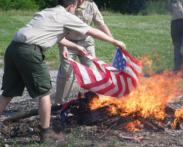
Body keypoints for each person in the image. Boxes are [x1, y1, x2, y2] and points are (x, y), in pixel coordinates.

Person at [0, 0, 125, 143]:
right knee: (45, 93)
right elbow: (92, 31)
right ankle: (46, 134)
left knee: (8, 93)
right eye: (75, 7)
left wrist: (76, 47)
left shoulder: (47, 12)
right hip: (30, 51)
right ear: (71, 5)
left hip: (13, 48)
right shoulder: (66, 15)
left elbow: (56, 36)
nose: (75, 10)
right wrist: (115, 42)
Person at [54, 0, 112, 105]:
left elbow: (100, 24)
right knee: (66, 72)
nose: (80, 1)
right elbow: (59, 28)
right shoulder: (68, 4)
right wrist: (63, 47)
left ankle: (94, 101)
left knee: (92, 71)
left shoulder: (91, 5)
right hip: (68, 42)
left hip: (86, 43)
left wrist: (112, 39)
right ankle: (60, 104)